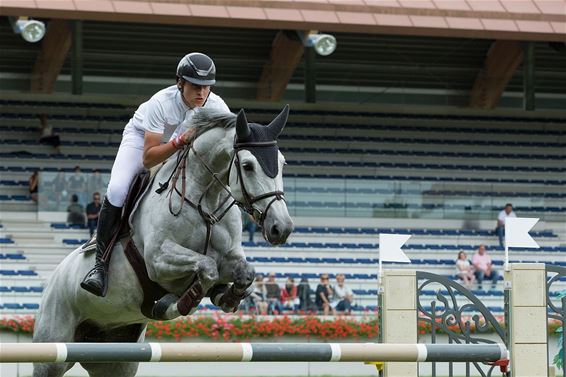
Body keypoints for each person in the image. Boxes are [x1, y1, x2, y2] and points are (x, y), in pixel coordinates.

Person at [81, 53, 230, 297]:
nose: (201, 93)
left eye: (206, 87)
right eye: (195, 86)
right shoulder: (160, 102)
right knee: (118, 189)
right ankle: (100, 266)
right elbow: (149, 158)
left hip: (182, 148)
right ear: (180, 82)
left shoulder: (217, 106)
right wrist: (180, 140)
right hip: (142, 141)